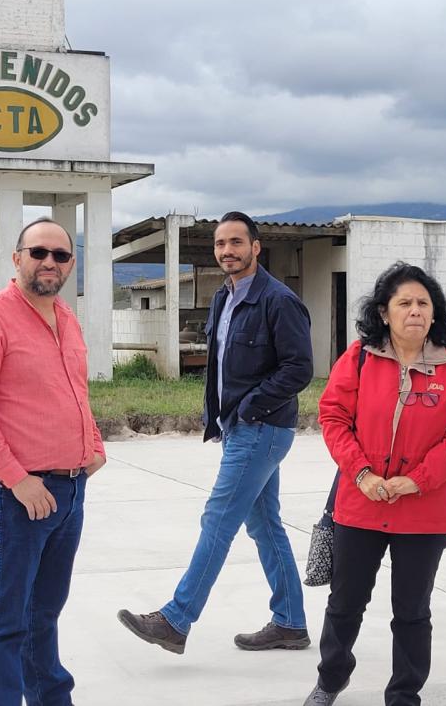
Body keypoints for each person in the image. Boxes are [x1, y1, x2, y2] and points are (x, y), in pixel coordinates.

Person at [118, 211, 314, 654]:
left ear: (255, 247)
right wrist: (223, 415)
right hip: (240, 428)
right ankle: (290, 623)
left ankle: (176, 619)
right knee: (265, 526)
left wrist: (249, 407)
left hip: (261, 427)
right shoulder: (225, 299)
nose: (228, 251)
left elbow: (300, 367)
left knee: (218, 519)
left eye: (236, 243)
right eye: (221, 244)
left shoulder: (278, 300)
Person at [304, 262, 446, 706]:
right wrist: (362, 474)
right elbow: (333, 418)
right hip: (360, 503)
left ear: (435, 313)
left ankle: (404, 695)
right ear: (384, 312)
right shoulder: (360, 357)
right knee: (345, 604)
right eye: (404, 303)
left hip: (424, 511)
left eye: (423, 303)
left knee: (412, 612)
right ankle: (330, 680)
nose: (415, 311)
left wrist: (416, 481)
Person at [0, 217, 106, 706]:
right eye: (38, 252)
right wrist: (19, 481)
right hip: (18, 497)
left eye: (60, 256)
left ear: (71, 265)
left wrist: (93, 446)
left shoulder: (68, 318)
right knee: (4, 621)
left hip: (70, 491)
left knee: (43, 615)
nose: (49, 262)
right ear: (17, 258)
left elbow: (74, 390)